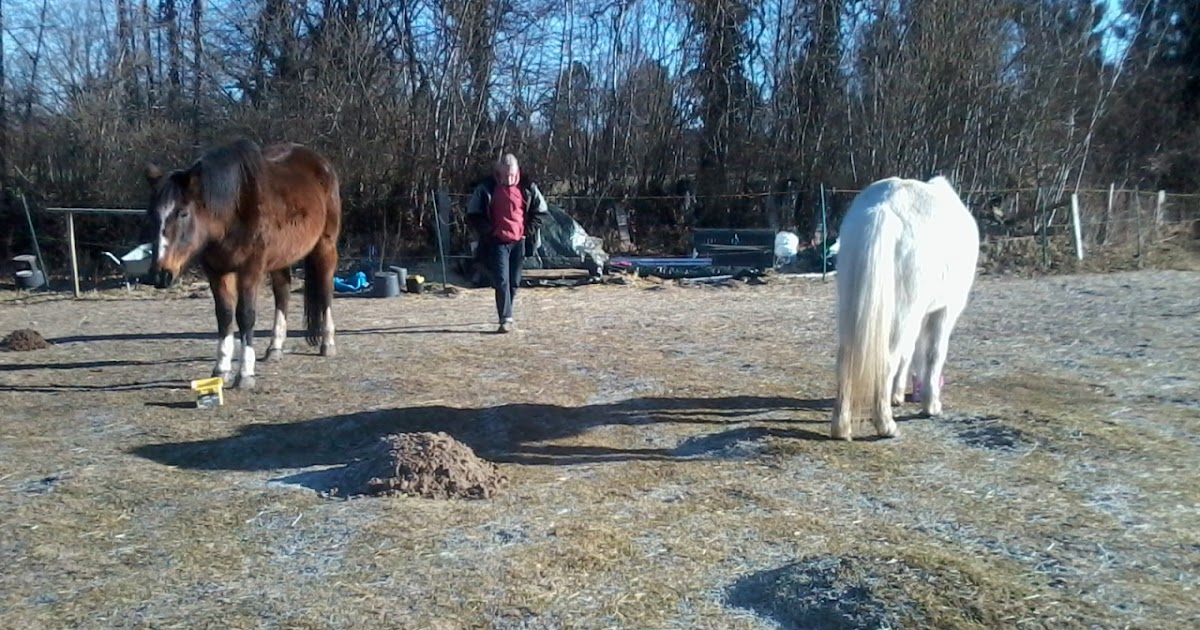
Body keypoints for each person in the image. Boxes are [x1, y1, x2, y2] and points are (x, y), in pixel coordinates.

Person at [466, 153, 549, 333]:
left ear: (517, 171)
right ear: (498, 172)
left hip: (519, 240)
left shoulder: (528, 187)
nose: (509, 179)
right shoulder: (486, 188)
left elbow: (541, 212)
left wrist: (528, 231)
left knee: (514, 281)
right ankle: (505, 318)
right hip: (496, 242)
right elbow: (473, 215)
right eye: (506, 175)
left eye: (512, 175)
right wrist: (490, 231)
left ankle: (507, 311)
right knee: (501, 280)